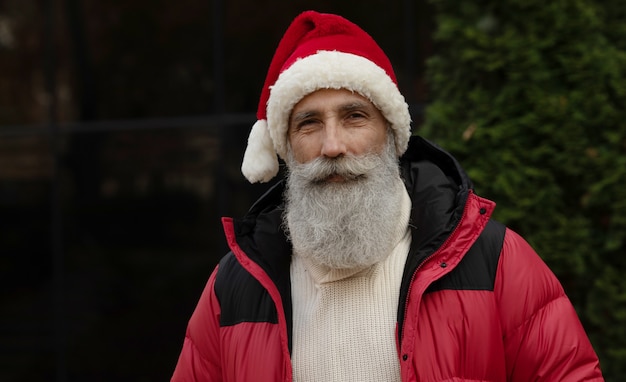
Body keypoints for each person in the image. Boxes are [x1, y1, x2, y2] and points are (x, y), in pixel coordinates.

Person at [171, 10, 603, 382]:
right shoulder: (236, 286)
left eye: (354, 116)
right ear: (286, 148)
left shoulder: (494, 261)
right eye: (309, 123)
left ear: (392, 135)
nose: (333, 145)